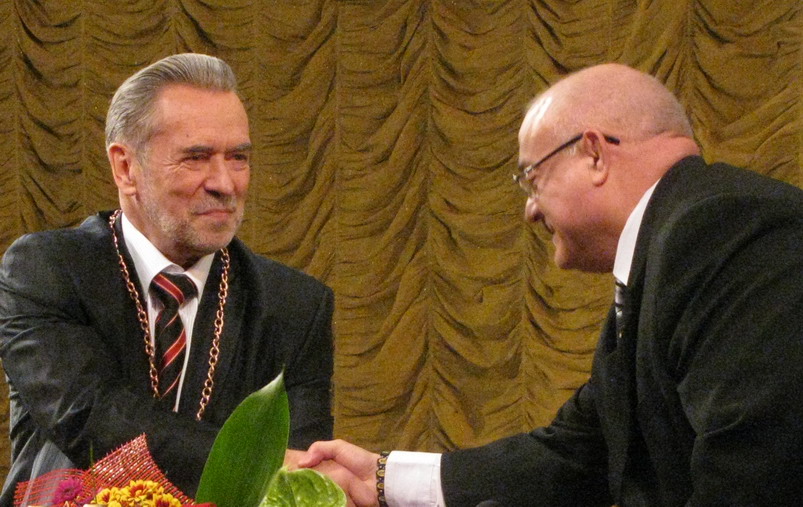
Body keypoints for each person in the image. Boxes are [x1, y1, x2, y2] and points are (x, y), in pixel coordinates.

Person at [297, 63, 803, 506]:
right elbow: (578, 453)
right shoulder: (672, 251)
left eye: (532, 179)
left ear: (594, 154)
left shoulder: (724, 228)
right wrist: (379, 477)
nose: (529, 210)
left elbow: (756, 472)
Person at [0, 53, 335, 504]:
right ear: (125, 167)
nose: (225, 183)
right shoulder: (47, 270)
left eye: (238, 157)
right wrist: (254, 463)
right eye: (196, 158)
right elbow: (92, 418)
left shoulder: (295, 305)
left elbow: (300, 480)